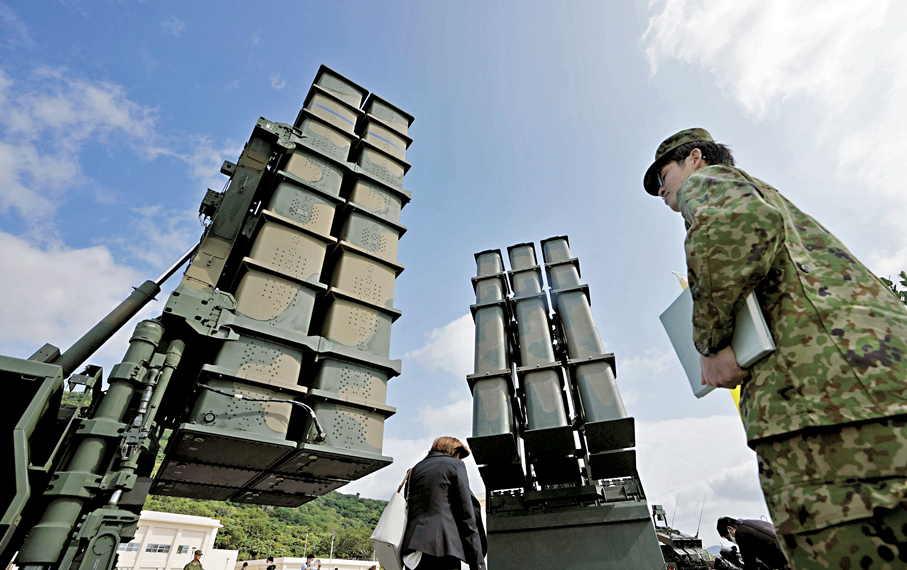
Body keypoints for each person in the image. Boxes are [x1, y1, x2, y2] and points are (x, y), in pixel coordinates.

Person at [644, 128, 907, 568]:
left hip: (826, 408)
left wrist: (710, 346)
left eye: (662, 176)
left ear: (694, 159)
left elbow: (735, 228)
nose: (661, 191)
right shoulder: (770, 197)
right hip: (870, 386)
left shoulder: (708, 182)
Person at [402, 436, 486, 570]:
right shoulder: (454, 465)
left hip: (413, 554)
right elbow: (466, 515)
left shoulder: (414, 470)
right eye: (459, 456)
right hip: (442, 549)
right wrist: (478, 564)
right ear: (454, 452)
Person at [717, 517, 788, 569]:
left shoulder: (740, 533)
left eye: (729, 538)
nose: (732, 540)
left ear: (730, 529)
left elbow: (750, 564)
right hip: (788, 552)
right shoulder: (750, 523)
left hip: (783, 561)